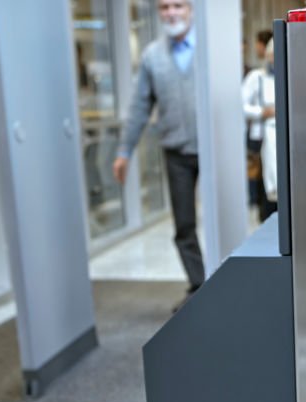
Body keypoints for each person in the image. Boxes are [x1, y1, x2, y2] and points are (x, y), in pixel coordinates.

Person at [113, 0, 204, 305]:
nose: (171, 13)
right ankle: (199, 286)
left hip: (213, 149)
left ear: (190, 9)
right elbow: (140, 107)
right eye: (164, 7)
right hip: (176, 151)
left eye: (178, 5)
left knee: (225, 216)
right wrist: (124, 150)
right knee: (184, 225)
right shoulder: (153, 56)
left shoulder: (209, 47)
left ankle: (227, 284)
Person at [242, 38, 277, 220]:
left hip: (282, 138)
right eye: (272, 56)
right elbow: (241, 105)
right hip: (261, 138)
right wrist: (262, 111)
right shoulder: (256, 77)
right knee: (264, 184)